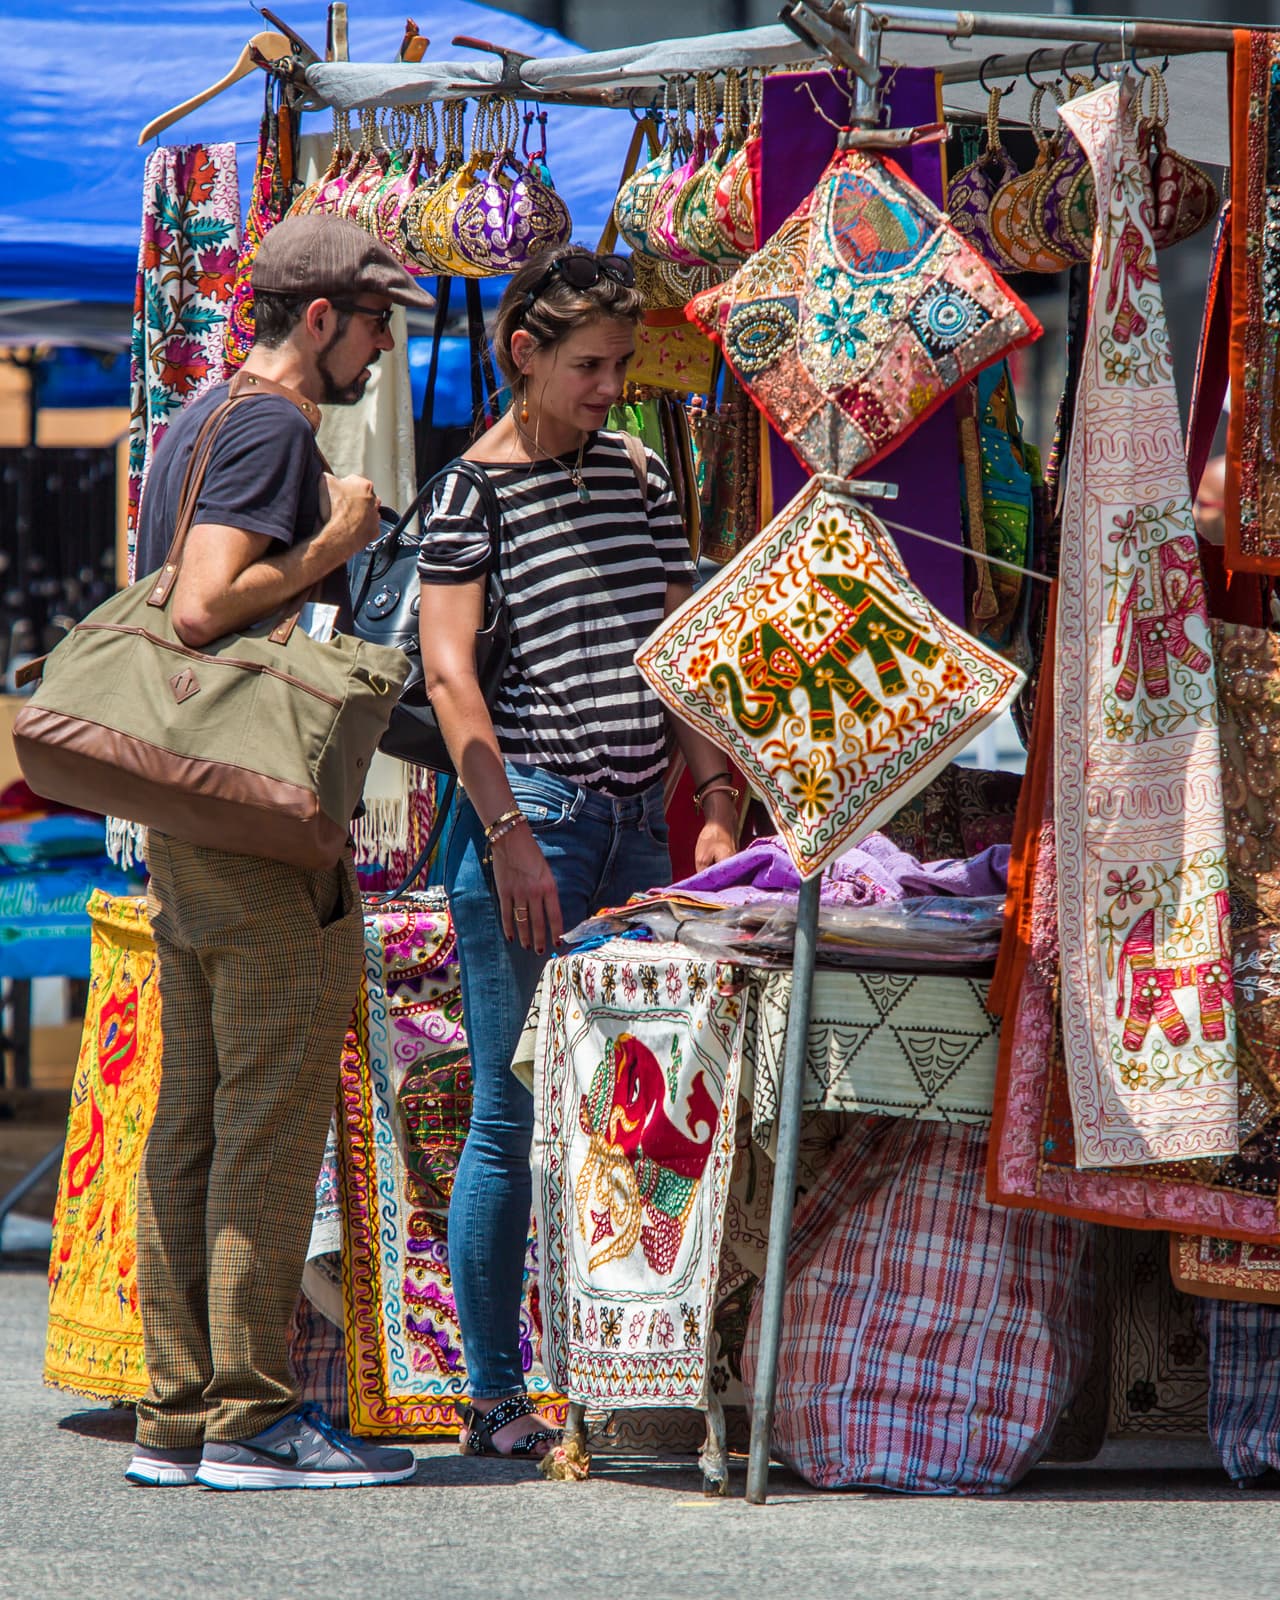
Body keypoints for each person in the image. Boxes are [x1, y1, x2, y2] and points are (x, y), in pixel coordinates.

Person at [125, 215, 432, 1492]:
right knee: (263, 1112)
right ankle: (250, 1421)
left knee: (193, 1114)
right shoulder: (270, 427)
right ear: (320, 319)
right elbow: (202, 603)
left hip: (187, 808)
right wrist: (335, 544)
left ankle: (179, 1411)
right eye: (375, 324)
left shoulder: (194, 418)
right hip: (252, 814)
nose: (380, 349)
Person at [417, 244, 739, 1458]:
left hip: (622, 828)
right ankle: (496, 1392)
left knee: (619, 1110)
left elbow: (677, 652)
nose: (613, 385)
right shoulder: (468, 494)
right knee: (511, 1109)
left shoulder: (642, 478)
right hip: (535, 820)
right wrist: (504, 834)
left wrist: (710, 795)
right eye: (591, 365)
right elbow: (451, 679)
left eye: (621, 362)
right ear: (524, 355)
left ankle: (602, 1379)